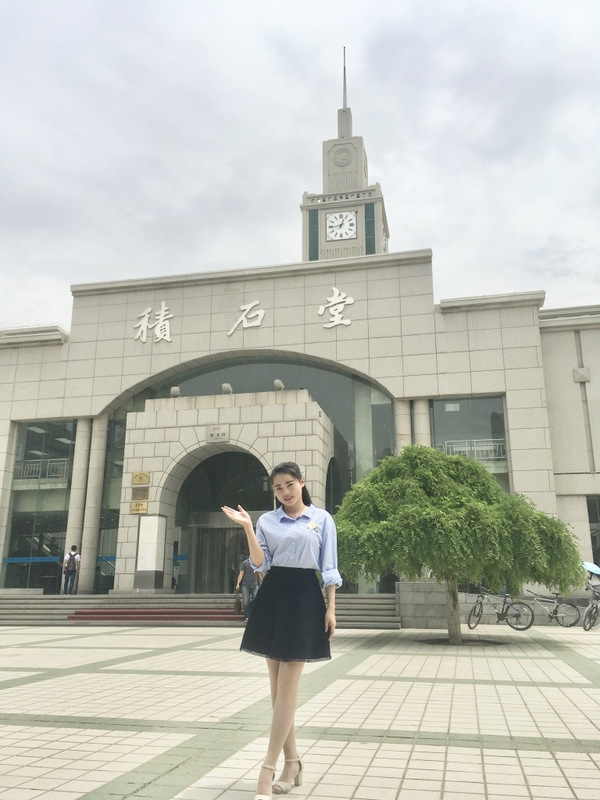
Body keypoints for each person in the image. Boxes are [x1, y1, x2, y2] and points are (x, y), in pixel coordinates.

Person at [222, 461, 341, 800]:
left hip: (304, 598)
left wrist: (331, 608)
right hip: (273, 597)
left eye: (289, 484)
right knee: (276, 689)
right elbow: (261, 563)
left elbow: (329, 567)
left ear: (302, 482)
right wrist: (248, 527)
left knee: (287, 686)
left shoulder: (322, 519)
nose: (285, 492)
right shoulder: (267, 521)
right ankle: (292, 763)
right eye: (278, 488)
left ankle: (267, 769)